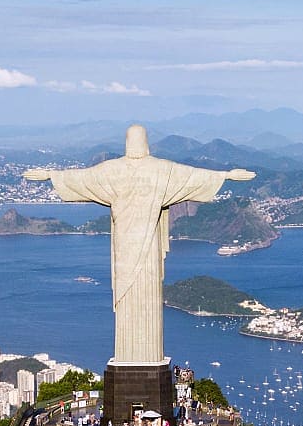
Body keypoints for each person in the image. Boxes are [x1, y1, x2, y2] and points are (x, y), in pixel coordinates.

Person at [24, 125, 255, 364]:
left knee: (134, 296)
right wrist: (225, 175)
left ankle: (135, 356)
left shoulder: (113, 171)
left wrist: (51, 175)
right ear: (146, 143)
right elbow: (192, 176)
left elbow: (80, 178)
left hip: (126, 247)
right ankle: (142, 357)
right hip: (144, 249)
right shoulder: (160, 170)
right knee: (143, 297)